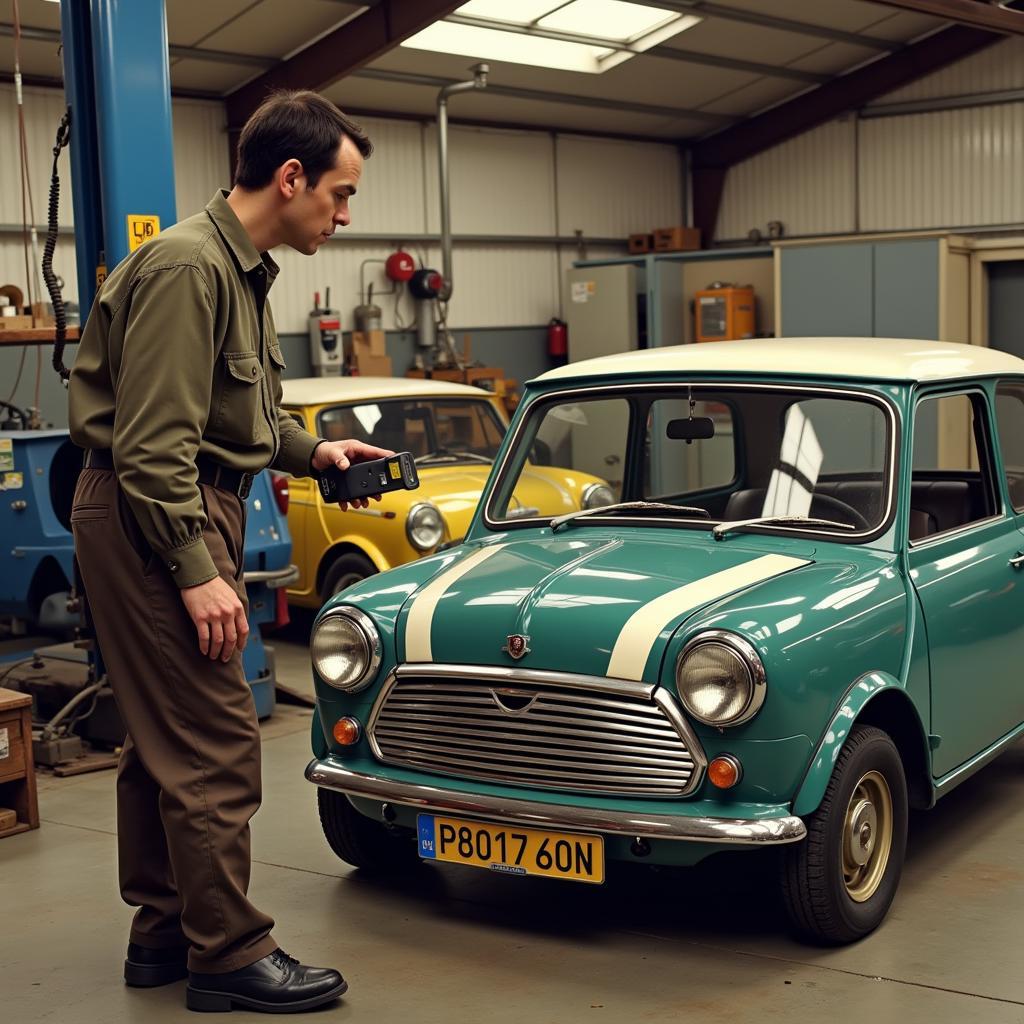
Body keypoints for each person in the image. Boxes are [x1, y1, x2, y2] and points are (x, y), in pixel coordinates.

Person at [67, 90, 388, 1014]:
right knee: (213, 738)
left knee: (161, 739)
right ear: (290, 178)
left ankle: (164, 934)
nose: (343, 212)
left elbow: (233, 414)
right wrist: (198, 572)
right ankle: (229, 955)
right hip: (156, 513)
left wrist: (314, 452)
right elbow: (154, 448)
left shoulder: (235, 269)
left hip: (175, 503)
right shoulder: (187, 268)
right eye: (339, 191)